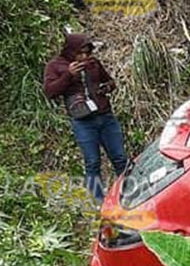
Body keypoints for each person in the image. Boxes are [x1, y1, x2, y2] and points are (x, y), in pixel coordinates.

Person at [43, 33, 127, 202]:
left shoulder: (93, 64)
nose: (84, 57)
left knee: (120, 158)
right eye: (80, 53)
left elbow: (111, 81)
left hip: (106, 117)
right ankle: (98, 203)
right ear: (70, 51)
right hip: (83, 122)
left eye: (87, 53)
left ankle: (129, 195)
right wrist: (68, 74)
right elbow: (49, 91)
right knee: (92, 163)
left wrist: (107, 87)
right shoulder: (55, 66)